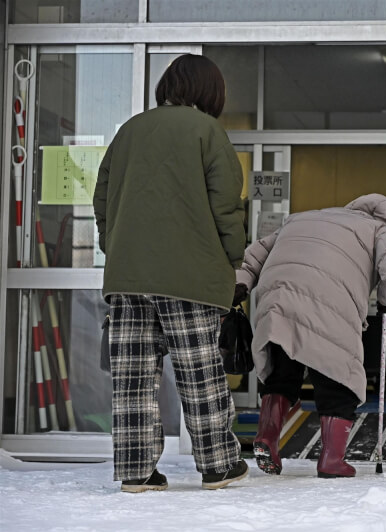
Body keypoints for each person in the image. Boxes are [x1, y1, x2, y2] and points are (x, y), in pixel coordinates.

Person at [93, 54, 249, 492]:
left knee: (134, 378)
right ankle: (218, 464)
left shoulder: (129, 131)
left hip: (128, 277)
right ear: (209, 92)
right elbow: (226, 207)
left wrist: (116, 247)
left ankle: (136, 472)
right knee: (198, 372)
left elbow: (101, 199)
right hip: (191, 275)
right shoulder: (207, 132)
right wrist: (231, 258)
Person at [235, 194, 386, 478]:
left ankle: (267, 436)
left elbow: (253, 256)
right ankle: (332, 460)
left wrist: (241, 284)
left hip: (277, 294)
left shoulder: (300, 218)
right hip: (330, 301)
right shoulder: (378, 229)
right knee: (336, 375)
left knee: (283, 371)